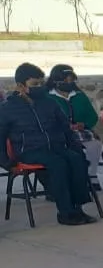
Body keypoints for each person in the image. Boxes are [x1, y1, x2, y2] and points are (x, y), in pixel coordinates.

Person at [0, 63, 97, 225]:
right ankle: (65, 212)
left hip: (54, 147)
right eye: (34, 84)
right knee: (58, 164)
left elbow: (65, 128)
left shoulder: (49, 103)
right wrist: (6, 163)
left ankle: (78, 207)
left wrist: (74, 146)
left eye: (41, 83)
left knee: (76, 159)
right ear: (20, 86)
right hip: (29, 151)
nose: (39, 87)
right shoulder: (7, 109)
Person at [46, 64, 103, 184]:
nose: (69, 82)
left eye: (71, 80)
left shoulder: (80, 96)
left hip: (81, 131)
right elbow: (44, 119)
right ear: (56, 81)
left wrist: (84, 124)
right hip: (57, 133)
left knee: (95, 144)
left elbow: (92, 116)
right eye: (65, 80)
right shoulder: (48, 98)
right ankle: (71, 177)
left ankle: (92, 175)